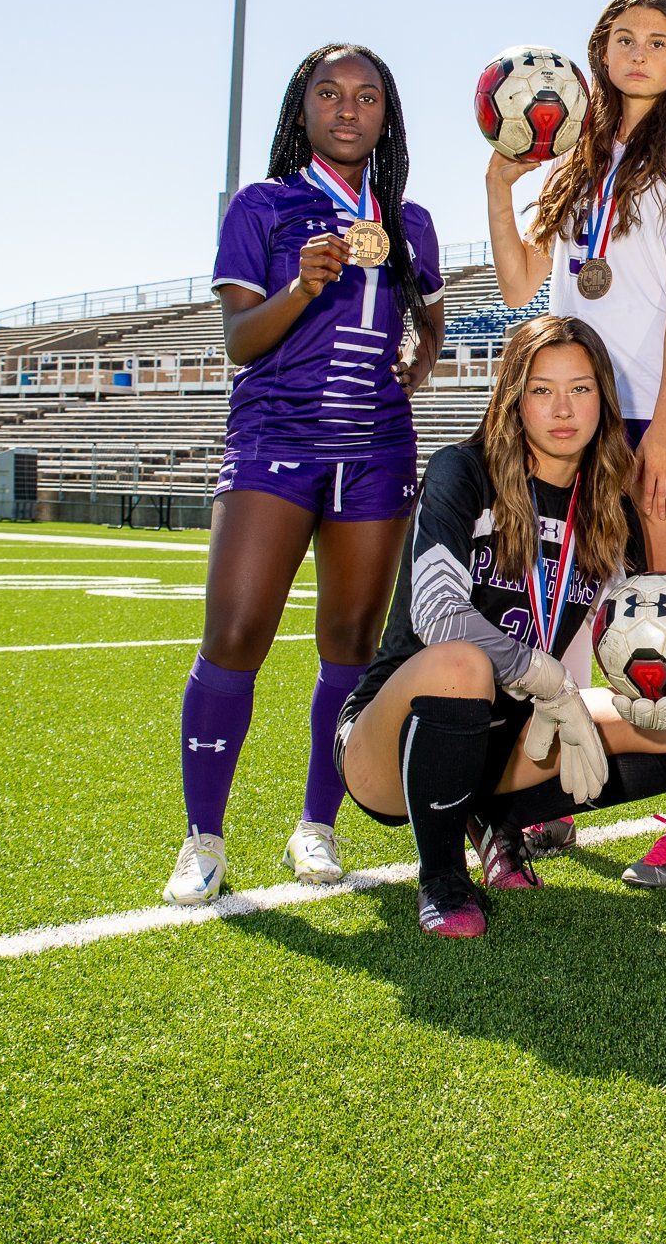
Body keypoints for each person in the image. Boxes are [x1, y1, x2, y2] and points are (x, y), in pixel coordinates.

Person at [332, 316, 666, 937]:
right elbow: (435, 612)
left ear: (604, 398)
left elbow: (634, 624)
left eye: (580, 389)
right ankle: (442, 877)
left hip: (516, 730)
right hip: (393, 734)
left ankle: (492, 815)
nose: (562, 409)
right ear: (514, 398)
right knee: (464, 663)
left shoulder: (608, 502)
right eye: (542, 390)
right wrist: (544, 675)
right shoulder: (463, 471)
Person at [165, 44, 444, 905]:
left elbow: (429, 324)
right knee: (236, 633)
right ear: (303, 109)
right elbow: (239, 342)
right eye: (330, 94)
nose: (349, 109)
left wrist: (419, 358)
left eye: (367, 97)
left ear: (386, 117)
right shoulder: (264, 206)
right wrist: (298, 286)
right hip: (273, 444)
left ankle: (316, 826)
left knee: (350, 648)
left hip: (376, 451)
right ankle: (202, 839)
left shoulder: (411, 222)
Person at [481, 0, 666, 878]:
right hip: (568, 417)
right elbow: (521, 290)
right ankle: (548, 800)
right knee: (556, 620)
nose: (637, 55)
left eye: (657, 42)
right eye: (623, 39)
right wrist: (499, 185)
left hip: (646, 415)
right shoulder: (575, 154)